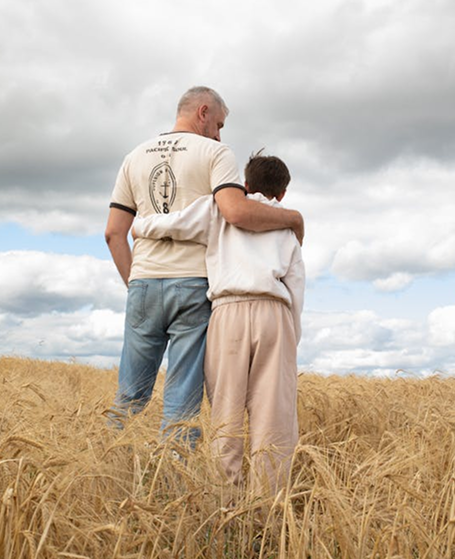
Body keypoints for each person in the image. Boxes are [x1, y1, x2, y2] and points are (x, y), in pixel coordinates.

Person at [105, 87, 304, 441]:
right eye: (220, 123)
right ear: (203, 112)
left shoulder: (133, 157)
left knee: (129, 396)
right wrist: (293, 219)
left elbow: (113, 234)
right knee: (180, 407)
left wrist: (136, 283)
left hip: (143, 283)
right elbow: (235, 211)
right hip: (192, 285)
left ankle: (101, 472)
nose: (219, 132)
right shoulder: (215, 152)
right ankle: (172, 490)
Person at [132, 152, 305, 493]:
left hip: (227, 311)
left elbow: (174, 224)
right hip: (275, 311)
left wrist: (139, 227)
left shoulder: (217, 208)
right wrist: (290, 337)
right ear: (282, 194)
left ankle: (227, 505)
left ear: (244, 184)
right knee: (274, 421)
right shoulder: (286, 225)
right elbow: (296, 285)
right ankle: (266, 512)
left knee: (225, 413)